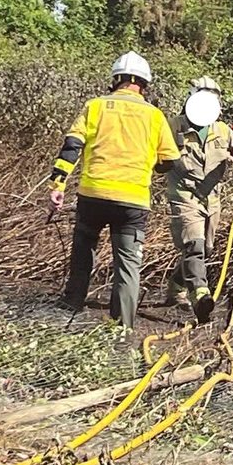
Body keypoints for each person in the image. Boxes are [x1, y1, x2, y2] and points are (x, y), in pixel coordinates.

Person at [49, 52, 180, 331]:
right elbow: (169, 161)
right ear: (144, 84)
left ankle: (72, 302)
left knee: (83, 249)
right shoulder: (155, 116)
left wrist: (58, 185)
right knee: (128, 264)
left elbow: (71, 147)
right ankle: (122, 326)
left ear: (115, 79)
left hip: (93, 194)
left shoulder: (95, 106)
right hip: (132, 202)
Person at [165, 76, 233, 323]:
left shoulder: (222, 130)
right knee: (193, 245)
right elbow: (156, 152)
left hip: (212, 199)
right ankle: (200, 296)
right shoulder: (173, 126)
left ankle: (175, 286)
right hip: (183, 196)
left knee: (207, 248)